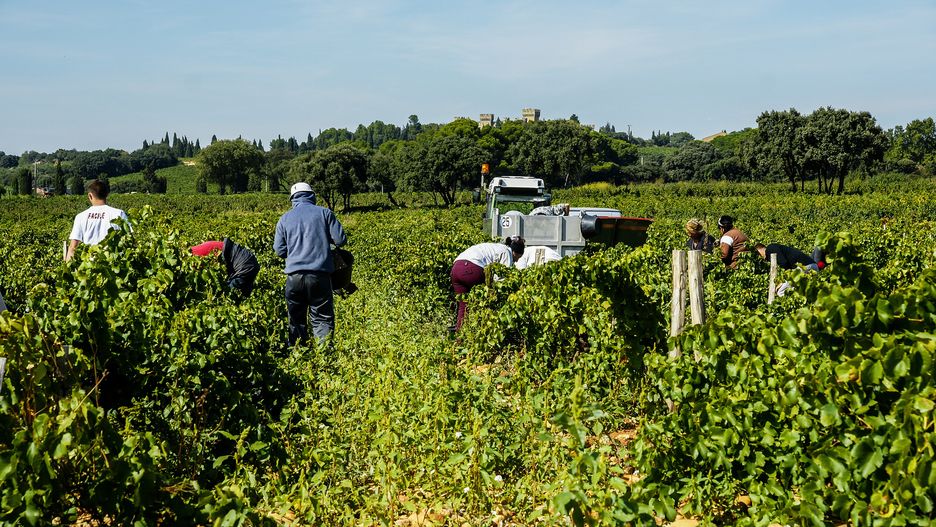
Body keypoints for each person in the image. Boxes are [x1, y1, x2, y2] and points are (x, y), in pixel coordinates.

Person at [274, 182, 347, 346]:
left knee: (296, 320)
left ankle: (298, 355)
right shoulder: (325, 213)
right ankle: (324, 358)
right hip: (320, 276)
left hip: (294, 278)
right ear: (312, 196)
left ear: (292, 199)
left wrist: (294, 253)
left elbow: (279, 251)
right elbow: (341, 240)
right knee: (322, 318)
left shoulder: (284, 219)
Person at [451, 236, 525, 331]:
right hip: (472, 268)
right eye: (518, 257)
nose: (517, 261)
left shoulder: (495, 247)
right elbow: (501, 282)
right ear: (515, 252)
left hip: (456, 268)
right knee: (485, 302)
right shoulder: (507, 252)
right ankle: (483, 333)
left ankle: (459, 338)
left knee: (464, 306)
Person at [66, 179, 129, 261]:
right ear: (107, 194)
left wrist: (67, 269)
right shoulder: (119, 213)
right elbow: (129, 239)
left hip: (89, 265)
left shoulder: (81, 217)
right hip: (112, 262)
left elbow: (73, 247)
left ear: (90, 195)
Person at [190, 238, 261, 296]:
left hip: (244, 264)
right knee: (245, 292)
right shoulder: (200, 248)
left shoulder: (196, 255)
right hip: (248, 260)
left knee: (228, 293)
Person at [755, 243, 820, 272]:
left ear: (759, 249)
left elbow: (784, 263)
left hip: (807, 266)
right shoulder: (772, 249)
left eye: (758, 254)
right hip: (811, 265)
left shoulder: (770, 249)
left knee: (780, 290)